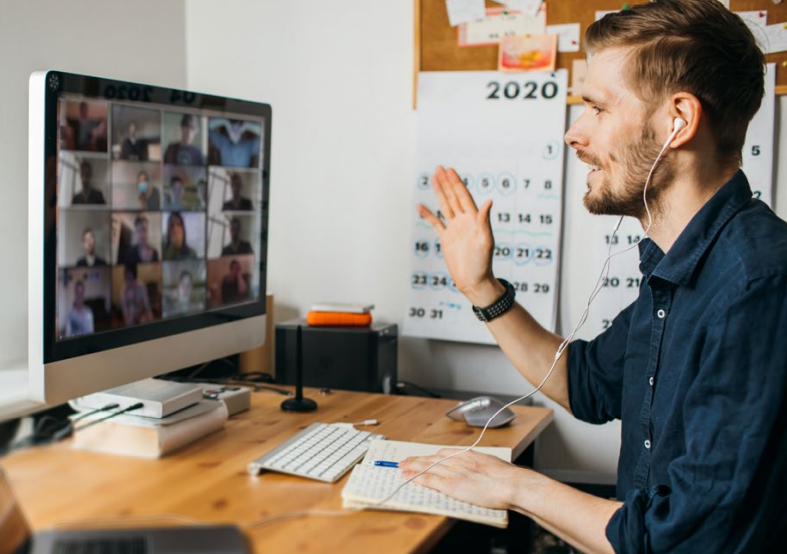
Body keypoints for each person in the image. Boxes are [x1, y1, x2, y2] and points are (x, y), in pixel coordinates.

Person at [400, 1, 787, 553]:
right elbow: (585, 384)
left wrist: (511, 484)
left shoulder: (757, 284)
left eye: (597, 109)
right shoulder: (678, 263)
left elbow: (679, 542)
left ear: (678, 120)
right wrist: (480, 288)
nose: (573, 135)